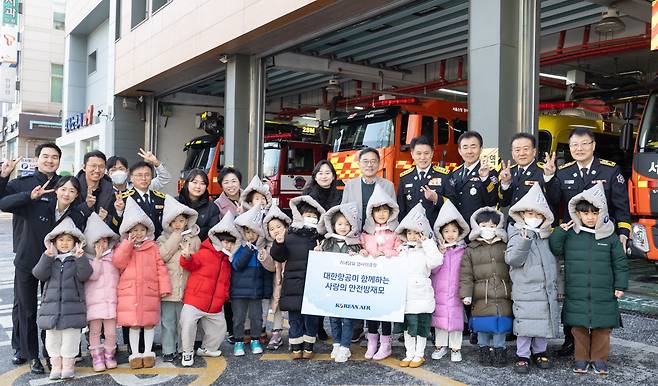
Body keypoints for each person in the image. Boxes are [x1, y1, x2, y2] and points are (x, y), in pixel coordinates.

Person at [544, 127, 631, 356]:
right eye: (574, 145)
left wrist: (623, 233)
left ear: (593, 145)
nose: (579, 148)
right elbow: (553, 202)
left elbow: (622, 206)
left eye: (584, 144)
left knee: (598, 286)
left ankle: (598, 343)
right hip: (574, 239)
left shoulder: (610, 171)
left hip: (602, 236)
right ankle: (570, 339)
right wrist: (549, 177)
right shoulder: (562, 172)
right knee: (574, 287)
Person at [0, 175, 86, 374]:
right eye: (63, 189)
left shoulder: (76, 215)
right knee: (28, 311)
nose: (67, 193)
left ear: (76, 195)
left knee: (52, 310)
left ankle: (50, 353)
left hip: (56, 268)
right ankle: (32, 356)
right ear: (56, 190)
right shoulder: (37, 204)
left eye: (72, 191)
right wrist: (27, 196)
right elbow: (3, 204)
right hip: (28, 263)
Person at [549, 183, 628, 375]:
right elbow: (555, 249)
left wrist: (620, 284)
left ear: (603, 212)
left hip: (604, 291)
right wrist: (559, 231)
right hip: (577, 290)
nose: (590, 217)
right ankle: (581, 359)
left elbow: (620, 263)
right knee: (579, 328)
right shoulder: (572, 235)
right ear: (578, 214)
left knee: (603, 328)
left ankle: (599, 359)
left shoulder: (610, 236)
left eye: (595, 213)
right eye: (585, 214)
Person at [1, 143, 61, 369]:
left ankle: (49, 349)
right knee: (25, 307)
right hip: (27, 255)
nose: (49, 160)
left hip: (55, 257)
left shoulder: (63, 185)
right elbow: (2, 203)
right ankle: (26, 351)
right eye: (45, 156)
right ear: (37, 159)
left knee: (51, 306)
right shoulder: (22, 183)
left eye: (54, 157)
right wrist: (8, 179)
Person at [505, 184, 560, 374]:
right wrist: (525, 240)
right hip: (525, 290)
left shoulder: (548, 236)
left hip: (545, 290)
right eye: (529, 214)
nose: (533, 218)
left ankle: (540, 351)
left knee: (542, 323)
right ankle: (522, 354)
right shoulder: (515, 234)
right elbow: (512, 259)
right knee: (525, 324)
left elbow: (555, 263)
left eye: (537, 215)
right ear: (522, 215)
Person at [113, 197, 172, 369]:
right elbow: (118, 263)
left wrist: (164, 287)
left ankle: (147, 352)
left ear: (147, 231)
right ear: (128, 231)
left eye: (141, 230)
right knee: (134, 325)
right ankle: (135, 354)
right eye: (134, 230)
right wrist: (127, 246)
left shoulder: (152, 247)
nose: (138, 233)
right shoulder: (124, 247)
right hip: (130, 292)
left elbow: (160, 267)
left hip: (149, 291)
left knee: (148, 324)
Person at [32, 218, 92, 380]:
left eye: (69, 240)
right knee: (52, 341)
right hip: (51, 310)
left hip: (72, 310)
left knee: (70, 340)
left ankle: (68, 366)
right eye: (61, 240)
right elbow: (38, 274)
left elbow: (85, 275)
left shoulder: (77, 258)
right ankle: (56, 366)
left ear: (75, 242)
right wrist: (46, 257)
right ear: (54, 242)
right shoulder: (50, 259)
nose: (65, 243)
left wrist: (81, 258)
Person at [270, 195, 325, 359]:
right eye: (308, 216)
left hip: (312, 285)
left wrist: (320, 254)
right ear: (300, 216)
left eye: (314, 217)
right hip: (293, 284)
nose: (311, 219)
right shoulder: (289, 236)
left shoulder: (318, 239)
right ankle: (295, 346)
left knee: (311, 318)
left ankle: (309, 346)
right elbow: (279, 257)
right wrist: (278, 243)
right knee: (295, 318)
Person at [178, 212, 234, 367]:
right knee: (188, 323)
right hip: (194, 301)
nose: (228, 245)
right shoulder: (204, 253)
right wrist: (186, 256)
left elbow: (225, 282)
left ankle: (207, 348)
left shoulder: (228, 261)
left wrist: (224, 296)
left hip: (214, 306)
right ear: (217, 240)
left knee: (220, 328)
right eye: (225, 242)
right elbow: (189, 263)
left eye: (231, 243)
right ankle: (187, 352)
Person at [459, 207, 512, 368]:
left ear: (498, 227)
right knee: (483, 325)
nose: (488, 229)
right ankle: (483, 350)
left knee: (500, 324)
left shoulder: (505, 245)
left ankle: (499, 351)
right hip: (480, 294)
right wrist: (466, 294)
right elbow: (466, 274)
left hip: (503, 292)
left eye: (492, 226)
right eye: (483, 225)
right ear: (476, 226)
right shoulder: (471, 249)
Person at [393, 203, 442, 368]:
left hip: (421, 296)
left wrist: (428, 243)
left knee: (420, 328)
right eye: (409, 232)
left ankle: (419, 354)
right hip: (404, 297)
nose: (412, 236)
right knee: (407, 328)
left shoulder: (427, 249)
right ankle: (409, 353)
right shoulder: (401, 249)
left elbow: (436, 262)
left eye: (416, 232)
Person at [156, 196, 202, 362]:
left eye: (181, 220)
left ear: (187, 222)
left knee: (185, 322)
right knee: (168, 322)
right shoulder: (162, 239)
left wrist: (190, 257)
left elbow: (199, 263)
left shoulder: (195, 239)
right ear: (167, 223)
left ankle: (185, 348)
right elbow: (161, 256)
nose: (177, 224)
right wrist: (176, 237)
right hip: (168, 288)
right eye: (173, 221)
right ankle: (168, 349)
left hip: (187, 288)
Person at [315, 202, 361, 363]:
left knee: (347, 319)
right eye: (340, 224)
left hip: (348, 290)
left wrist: (361, 255)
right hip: (332, 290)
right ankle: (336, 343)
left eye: (347, 224)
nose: (343, 227)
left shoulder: (355, 244)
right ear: (333, 225)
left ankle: (345, 346)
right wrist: (318, 253)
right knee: (333, 318)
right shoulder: (327, 243)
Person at [359, 184, 401, 360]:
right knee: (372, 312)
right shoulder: (366, 233)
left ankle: (385, 344)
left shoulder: (395, 232)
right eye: (377, 211)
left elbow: (400, 250)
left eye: (385, 210)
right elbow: (361, 247)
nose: (381, 214)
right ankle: (372, 341)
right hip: (371, 280)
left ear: (390, 213)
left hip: (387, 280)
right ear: (371, 213)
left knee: (386, 313)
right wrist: (362, 252)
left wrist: (386, 253)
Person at [303, 160, 342, 341]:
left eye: (328, 173)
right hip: (313, 243)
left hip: (335, 243)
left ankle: (337, 325)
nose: (324, 176)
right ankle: (316, 326)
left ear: (333, 175)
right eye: (320, 173)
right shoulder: (308, 195)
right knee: (316, 286)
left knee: (334, 286)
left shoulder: (341, 193)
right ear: (315, 176)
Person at [231, 204, 274, 356]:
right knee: (238, 319)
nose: (250, 235)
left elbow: (269, 270)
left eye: (254, 232)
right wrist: (248, 251)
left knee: (257, 318)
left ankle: (256, 339)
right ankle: (238, 342)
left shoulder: (261, 248)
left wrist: (264, 258)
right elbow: (237, 265)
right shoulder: (238, 247)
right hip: (238, 291)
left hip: (256, 291)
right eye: (247, 231)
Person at [430, 199, 469, 363]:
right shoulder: (437, 250)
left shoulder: (464, 250)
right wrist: (439, 254)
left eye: (454, 230)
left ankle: (455, 348)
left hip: (456, 291)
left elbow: (467, 272)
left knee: (456, 320)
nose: (450, 234)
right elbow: (433, 270)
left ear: (459, 232)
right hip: (439, 291)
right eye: (446, 231)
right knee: (439, 320)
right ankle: (440, 346)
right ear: (441, 233)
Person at [83, 213, 121, 372]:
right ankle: (97, 358)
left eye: (105, 241)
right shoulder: (87, 258)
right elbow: (91, 276)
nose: (102, 244)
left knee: (111, 333)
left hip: (111, 301)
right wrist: (98, 259)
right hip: (94, 302)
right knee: (95, 332)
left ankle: (109, 355)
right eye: (98, 241)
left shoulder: (114, 257)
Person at [397, 135, 453, 225]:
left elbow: (453, 203)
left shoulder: (444, 175)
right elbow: (401, 209)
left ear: (432, 154)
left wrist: (436, 198)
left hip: (437, 230)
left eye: (426, 153)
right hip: (412, 232)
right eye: (418, 153)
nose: (422, 157)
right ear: (412, 154)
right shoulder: (405, 177)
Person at [447, 131, 499, 226]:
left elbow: (493, 200)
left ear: (481, 149)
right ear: (459, 150)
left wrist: (485, 178)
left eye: (473, 147)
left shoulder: (490, 172)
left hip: (479, 227)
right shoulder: (455, 173)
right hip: (459, 227)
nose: (469, 151)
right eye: (465, 147)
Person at [498, 133, 553, 215]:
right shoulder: (509, 172)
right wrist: (506, 183)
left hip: (538, 224)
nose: (522, 153)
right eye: (517, 150)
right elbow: (503, 203)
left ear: (534, 152)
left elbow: (554, 199)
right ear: (513, 154)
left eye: (526, 149)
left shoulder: (544, 171)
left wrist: (549, 177)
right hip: (513, 223)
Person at [111, 161, 167, 238]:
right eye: (139, 175)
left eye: (147, 175)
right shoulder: (123, 199)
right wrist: (119, 212)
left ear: (151, 177)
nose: (144, 178)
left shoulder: (160, 198)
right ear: (131, 178)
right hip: (133, 244)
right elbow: (115, 227)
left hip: (157, 243)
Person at [341, 147, 395, 226]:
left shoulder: (388, 186)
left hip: (379, 234)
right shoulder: (350, 185)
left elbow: (393, 213)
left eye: (373, 161)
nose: (369, 165)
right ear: (359, 164)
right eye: (365, 161)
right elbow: (343, 211)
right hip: (355, 232)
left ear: (379, 164)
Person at [263, 205, 292, 350]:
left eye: (278, 227)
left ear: (286, 225)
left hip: (292, 278)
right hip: (277, 281)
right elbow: (270, 266)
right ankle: (276, 332)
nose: (276, 231)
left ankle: (295, 331)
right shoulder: (268, 245)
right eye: (272, 228)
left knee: (293, 305)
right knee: (276, 306)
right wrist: (264, 258)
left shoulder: (292, 240)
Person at [177, 169, 221, 241]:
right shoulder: (176, 203)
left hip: (203, 247)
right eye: (195, 182)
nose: (198, 186)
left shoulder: (212, 208)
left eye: (202, 183)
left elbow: (213, 234)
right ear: (187, 183)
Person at [105, 148, 172, 193]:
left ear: (127, 171)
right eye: (113, 170)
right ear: (108, 173)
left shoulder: (140, 187)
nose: (118, 172)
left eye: (121, 169)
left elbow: (164, 178)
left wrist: (156, 163)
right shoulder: (104, 193)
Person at [75, 150, 115, 223]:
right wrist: (86, 206)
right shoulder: (73, 187)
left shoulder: (110, 189)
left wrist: (106, 218)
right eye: (93, 166)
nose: (97, 170)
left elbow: (115, 220)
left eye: (101, 166)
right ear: (84, 167)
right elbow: (69, 215)